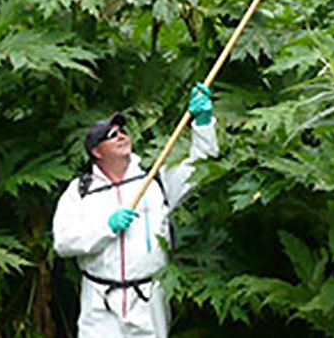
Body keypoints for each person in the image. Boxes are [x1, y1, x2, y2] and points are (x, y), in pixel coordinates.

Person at [53, 84, 218, 338]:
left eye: (122, 132)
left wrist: (204, 122)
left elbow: (202, 166)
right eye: (111, 135)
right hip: (99, 305)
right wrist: (106, 227)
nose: (121, 136)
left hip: (148, 301)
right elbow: (63, 242)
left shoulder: (155, 181)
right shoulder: (80, 191)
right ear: (96, 152)